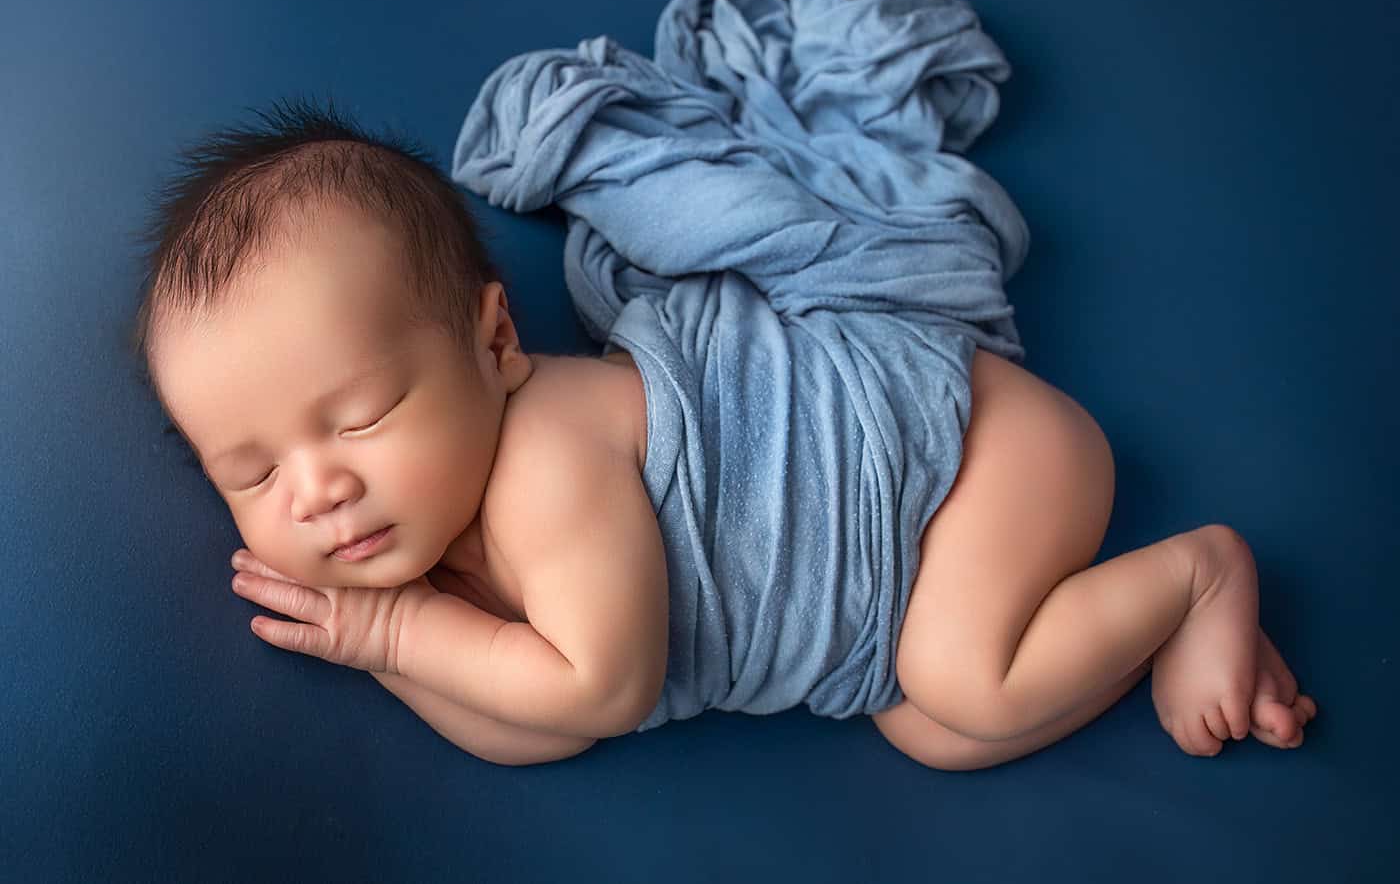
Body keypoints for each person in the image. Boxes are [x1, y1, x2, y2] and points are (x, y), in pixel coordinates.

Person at [131, 95, 1315, 770]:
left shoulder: (546, 461)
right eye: (251, 470)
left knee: (960, 679)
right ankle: (1120, 632)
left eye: (361, 416)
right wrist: (401, 644)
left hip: (968, 458)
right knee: (932, 731)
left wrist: (391, 631)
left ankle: (1197, 577)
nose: (317, 488)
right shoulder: (448, 548)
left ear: (496, 346)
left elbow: (595, 688)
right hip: (898, 591)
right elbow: (525, 735)